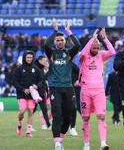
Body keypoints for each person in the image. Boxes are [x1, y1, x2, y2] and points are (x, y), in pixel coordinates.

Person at [44, 21, 80, 150]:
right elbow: (45, 44)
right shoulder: (52, 54)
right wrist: (54, 31)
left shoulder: (69, 54)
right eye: (58, 40)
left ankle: (60, 138)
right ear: (55, 42)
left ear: (65, 41)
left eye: (62, 40)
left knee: (69, 116)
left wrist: (68, 31)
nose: (60, 42)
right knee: (57, 114)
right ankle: (57, 143)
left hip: (68, 87)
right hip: (55, 87)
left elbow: (78, 44)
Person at [79, 28, 115, 150]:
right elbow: (83, 53)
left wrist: (104, 39)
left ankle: (103, 143)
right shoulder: (83, 57)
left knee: (101, 116)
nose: (95, 50)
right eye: (93, 48)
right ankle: (86, 144)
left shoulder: (101, 55)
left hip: (99, 91)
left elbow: (112, 51)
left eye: (97, 48)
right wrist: (93, 38)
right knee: (85, 118)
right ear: (89, 47)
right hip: (85, 91)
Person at [13, 50, 44, 138]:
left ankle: (28, 132)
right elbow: (15, 82)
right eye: (28, 57)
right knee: (22, 111)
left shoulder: (36, 69)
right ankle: (19, 124)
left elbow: (41, 81)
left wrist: (36, 86)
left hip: (32, 94)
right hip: (22, 93)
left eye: (31, 57)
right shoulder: (19, 69)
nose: (29, 59)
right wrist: (23, 89)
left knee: (30, 111)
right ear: (24, 58)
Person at [34, 55, 52, 130]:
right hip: (36, 92)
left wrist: (48, 69)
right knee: (33, 109)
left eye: (46, 61)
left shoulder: (44, 69)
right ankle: (43, 124)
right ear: (40, 61)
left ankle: (47, 124)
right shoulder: (36, 68)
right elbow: (41, 80)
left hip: (44, 92)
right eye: (44, 61)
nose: (46, 62)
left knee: (47, 108)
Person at [69, 62, 80, 136]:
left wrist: (78, 80)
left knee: (73, 107)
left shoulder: (71, 64)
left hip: (71, 88)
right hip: (59, 88)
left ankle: (72, 127)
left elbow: (80, 72)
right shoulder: (56, 63)